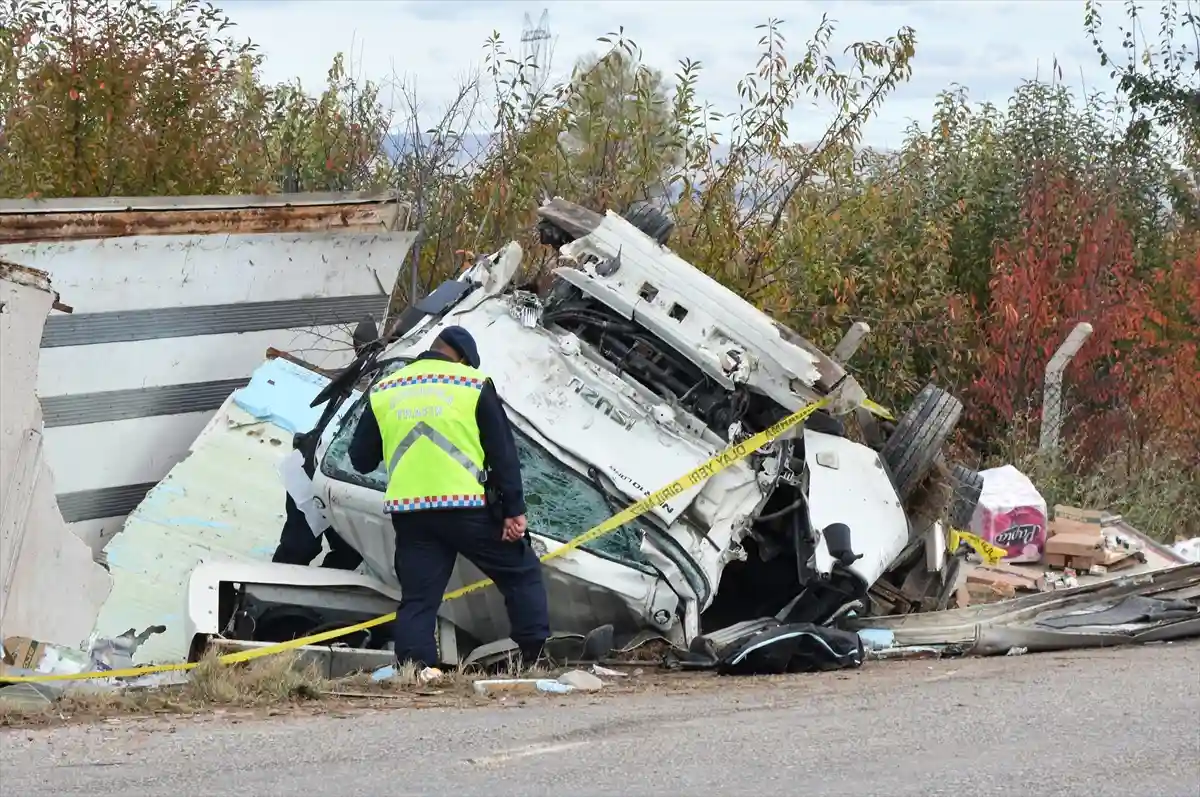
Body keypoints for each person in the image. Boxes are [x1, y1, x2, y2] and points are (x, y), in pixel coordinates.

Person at [347, 325, 550, 668]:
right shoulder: (472, 385)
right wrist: (514, 510)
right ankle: (534, 658)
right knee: (521, 571)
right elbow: (502, 453)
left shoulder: (384, 390)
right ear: (462, 357)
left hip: (412, 513)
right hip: (467, 508)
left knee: (419, 598)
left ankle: (416, 668)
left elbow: (361, 459)